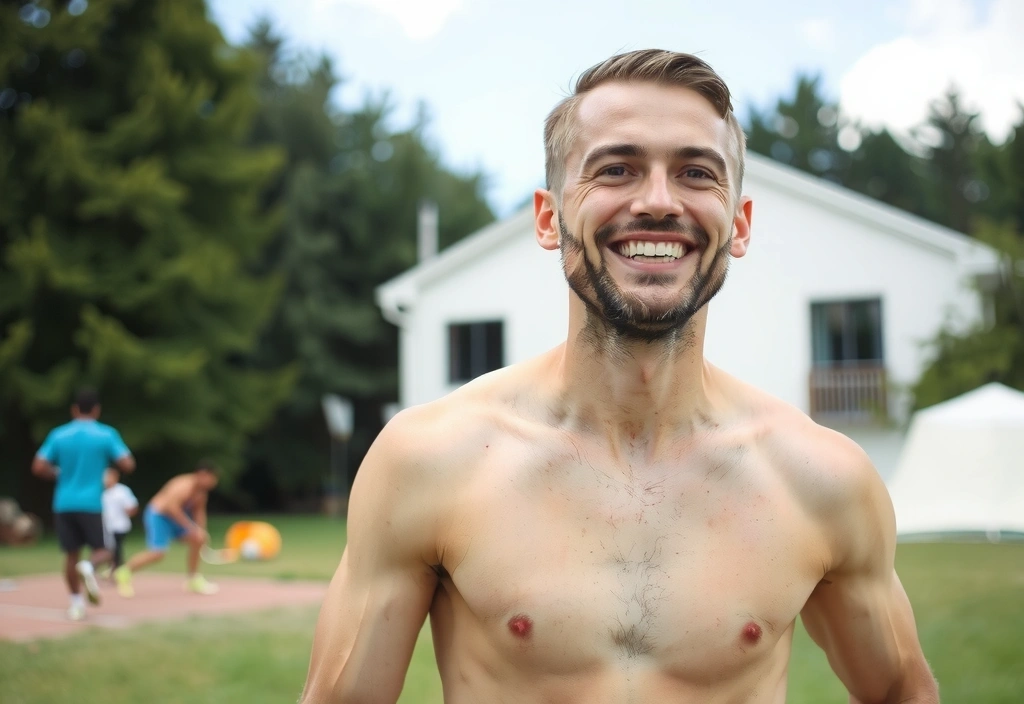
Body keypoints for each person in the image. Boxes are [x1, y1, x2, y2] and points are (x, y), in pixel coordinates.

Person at [301, 49, 940, 703]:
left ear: (740, 224)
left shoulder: (822, 480)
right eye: (616, 169)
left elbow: (904, 691)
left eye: (696, 173)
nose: (658, 202)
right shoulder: (430, 462)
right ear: (548, 217)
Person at [32, 387, 136, 621]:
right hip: (91, 503)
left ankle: (76, 604)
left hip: (63, 503)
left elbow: (38, 467)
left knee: (71, 555)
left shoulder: (59, 434)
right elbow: (128, 464)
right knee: (105, 551)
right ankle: (89, 567)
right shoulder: (106, 434)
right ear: (97, 410)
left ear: (74, 409)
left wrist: (58, 473)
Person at [113, 460, 220, 598]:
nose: (213, 482)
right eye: (212, 478)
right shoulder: (183, 485)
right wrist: (191, 527)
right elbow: (171, 508)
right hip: (159, 516)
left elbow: (199, 513)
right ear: (203, 474)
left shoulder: (201, 492)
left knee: (198, 539)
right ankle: (123, 571)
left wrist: (201, 530)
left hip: (177, 517)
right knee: (157, 553)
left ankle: (193, 579)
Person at [101, 467, 138, 576]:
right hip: (106, 526)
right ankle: (114, 569)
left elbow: (132, 506)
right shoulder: (103, 492)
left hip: (120, 526)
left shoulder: (122, 491)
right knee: (110, 549)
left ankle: (119, 570)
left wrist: (129, 511)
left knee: (116, 549)